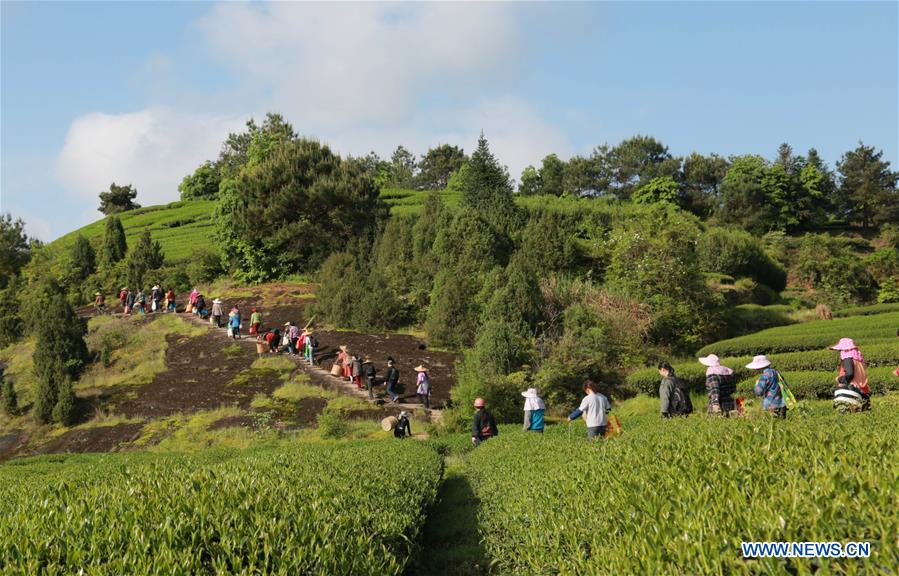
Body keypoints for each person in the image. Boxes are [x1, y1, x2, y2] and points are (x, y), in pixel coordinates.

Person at [830, 338, 871, 412]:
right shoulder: (858, 359)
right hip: (863, 392)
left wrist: (839, 379)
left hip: (852, 392)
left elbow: (850, 374)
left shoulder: (847, 358)